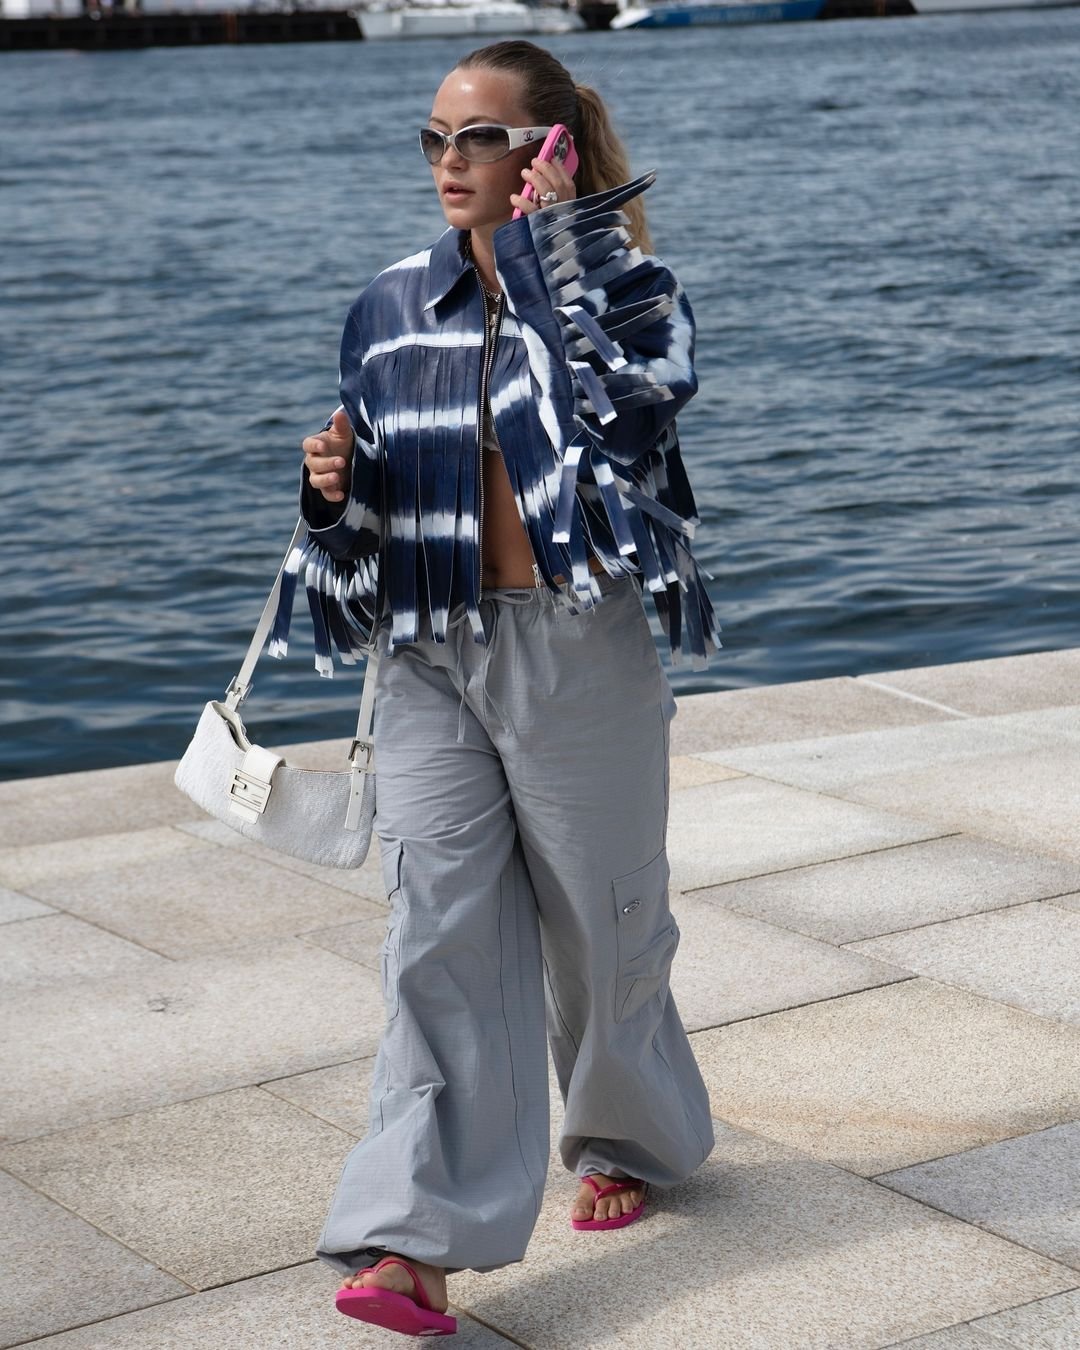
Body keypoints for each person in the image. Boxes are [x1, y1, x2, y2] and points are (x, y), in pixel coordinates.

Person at [279, 39, 721, 1338]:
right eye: (434, 138)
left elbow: (633, 417)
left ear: (550, 151)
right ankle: (412, 1237)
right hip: (427, 649)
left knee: (604, 917)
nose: (448, 164)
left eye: (478, 138)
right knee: (436, 931)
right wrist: (329, 495)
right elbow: (359, 522)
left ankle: (623, 1129)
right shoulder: (389, 307)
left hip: (577, 637)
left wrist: (544, 256)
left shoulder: (623, 293)